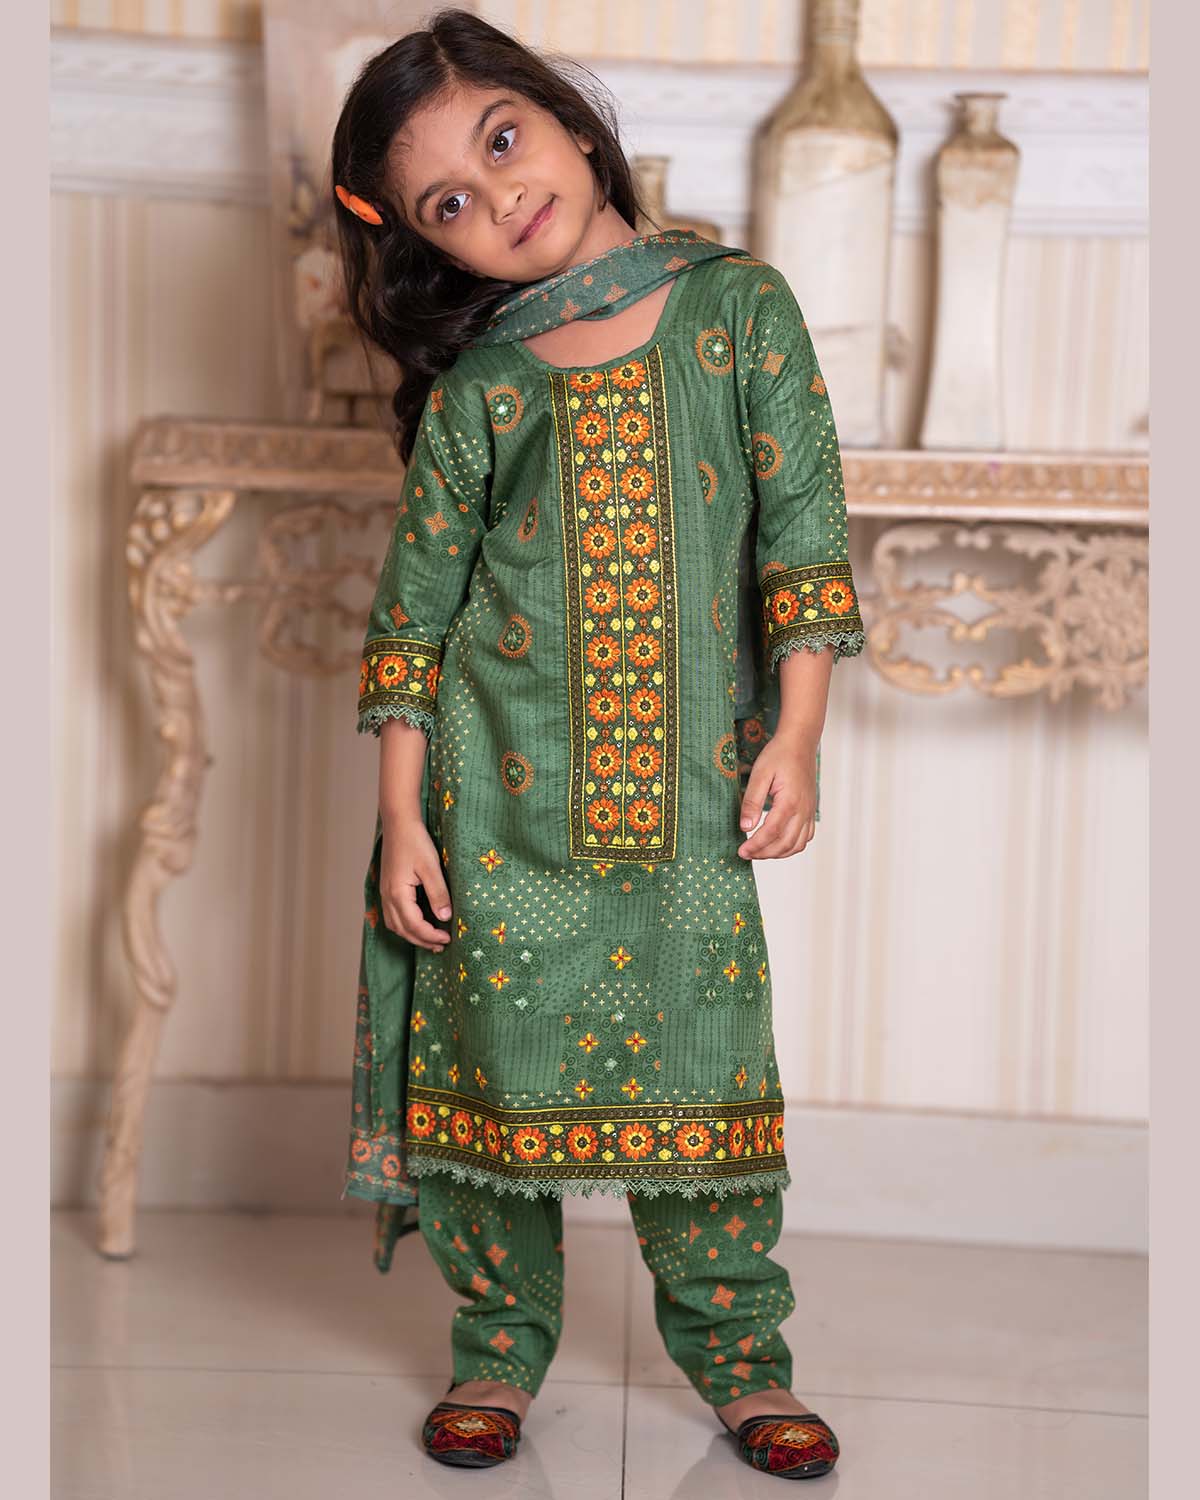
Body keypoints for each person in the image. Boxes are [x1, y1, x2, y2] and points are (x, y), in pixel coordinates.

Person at [331, 7, 865, 1480]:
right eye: (449, 202)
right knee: (493, 1086)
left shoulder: (738, 308)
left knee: (705, 1074)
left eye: (504, 140)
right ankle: (496, 1351)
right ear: (429, 246)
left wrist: (799, 734)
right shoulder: (484, 384)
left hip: (689, 801)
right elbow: (414, 619)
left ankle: (745, 1365)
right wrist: (404, 820)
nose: (500, 196)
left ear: (569, 117)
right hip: (494, 807)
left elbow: (804, 534)